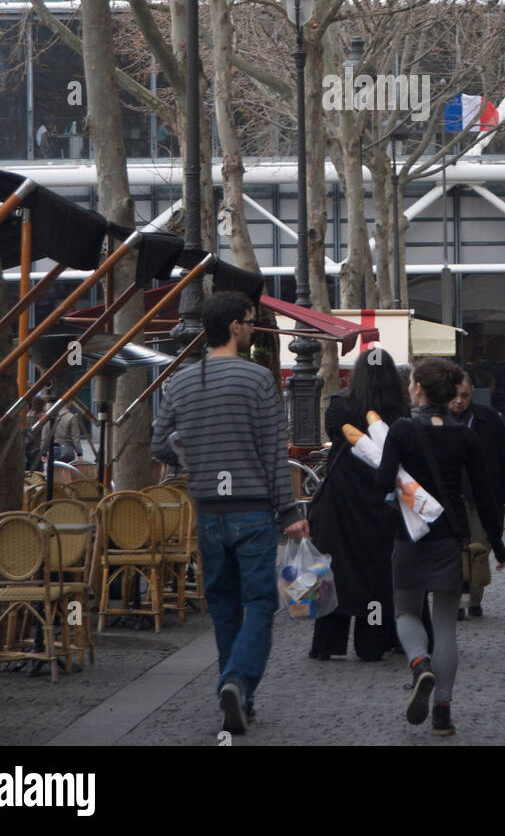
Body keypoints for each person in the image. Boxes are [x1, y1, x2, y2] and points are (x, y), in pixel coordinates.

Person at [150, 290, 308, 735]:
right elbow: (274, 454)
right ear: (235, 327)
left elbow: (159, 443)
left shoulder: (180, 382)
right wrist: (290, 512)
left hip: (208, 512)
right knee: (259, 601)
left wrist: (195, 459)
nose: (254, 326)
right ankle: (237, 681)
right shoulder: (258, 380)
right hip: (253, 511)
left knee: (221, 604)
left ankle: (237, 696)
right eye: (250, 320)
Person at [374, 356, 505, 738]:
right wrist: (497, 545)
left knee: (405, 612)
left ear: (417, 388)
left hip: (410, 536)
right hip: (452, 536)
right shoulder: (465, 435)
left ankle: (420, 664)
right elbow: (484, 494)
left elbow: (382, 482)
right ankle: (443, 714)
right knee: (447, 623)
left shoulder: (401, 431)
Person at [308, 347, 407, 662]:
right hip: (384, 505)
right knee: (378, 576)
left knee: (336, 574)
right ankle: (373, 643)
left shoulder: (339, 408)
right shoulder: (400, 412)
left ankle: (327, 644)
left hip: (342, 504)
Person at [448, 374, 505, 619]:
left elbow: (504, 457)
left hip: (485, 494)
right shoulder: (439, 420)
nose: (458, 401)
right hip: (452, 493)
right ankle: (458, 600)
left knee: (479, 548)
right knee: (455, 549)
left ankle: (474, 600)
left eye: (464, 396)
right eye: (454, 396)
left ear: (472, 395)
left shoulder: (489, 418)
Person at [40, 392, 83, 463]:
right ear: (68, 402)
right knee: (66, 471)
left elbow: (45, 436)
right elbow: (75, 437)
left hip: (52, 449)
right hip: (67, 449)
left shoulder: (48, 416)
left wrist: (43, 453)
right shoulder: (71, 417)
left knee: (53, 472)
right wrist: (79, 453)